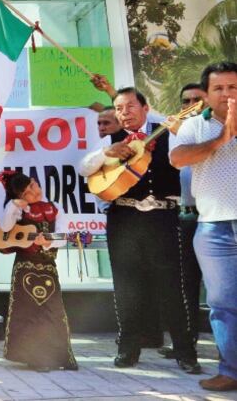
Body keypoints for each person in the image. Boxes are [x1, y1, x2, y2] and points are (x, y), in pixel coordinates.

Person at [78, 87, 200, 373]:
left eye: (130, 106)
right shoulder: (112, 139)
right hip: (124, 218)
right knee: (126, 286)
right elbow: (84, 168)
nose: (124, 112)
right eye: (119, 108)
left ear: (145, 108)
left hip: (162, 218)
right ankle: (128, 349)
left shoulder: (169, 133)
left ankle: (185, 352)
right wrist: (105, 152)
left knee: (171, 286)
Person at [170, 62, 237, 392]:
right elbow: (178, 159)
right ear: (207, 95)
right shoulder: (194, 126)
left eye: (232, 87)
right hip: (213, 229)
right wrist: (222, 138)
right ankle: (231, 371)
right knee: (223, 305)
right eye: (219, 89)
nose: (226, 94)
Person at [0, 170, 78, 372]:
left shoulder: (54, 207)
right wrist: (14, 205)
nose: (34, 192)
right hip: (25, 267)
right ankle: (35, 357)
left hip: (48, 266)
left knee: (53, 311)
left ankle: (61, 356)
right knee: (29, 312)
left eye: (33, 186)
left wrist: (50, 241)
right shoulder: (16, 208)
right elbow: (5, 227)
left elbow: (63, 234)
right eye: (27, 191)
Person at [157, 82, 208, 360]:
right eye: (184, 100)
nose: (190, 105)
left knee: (221, 288)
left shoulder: (217, 132)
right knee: (185, 284)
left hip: (215, 218)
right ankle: (185, 344)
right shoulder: (172, 134)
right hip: (184, 217)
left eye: (196, 99)